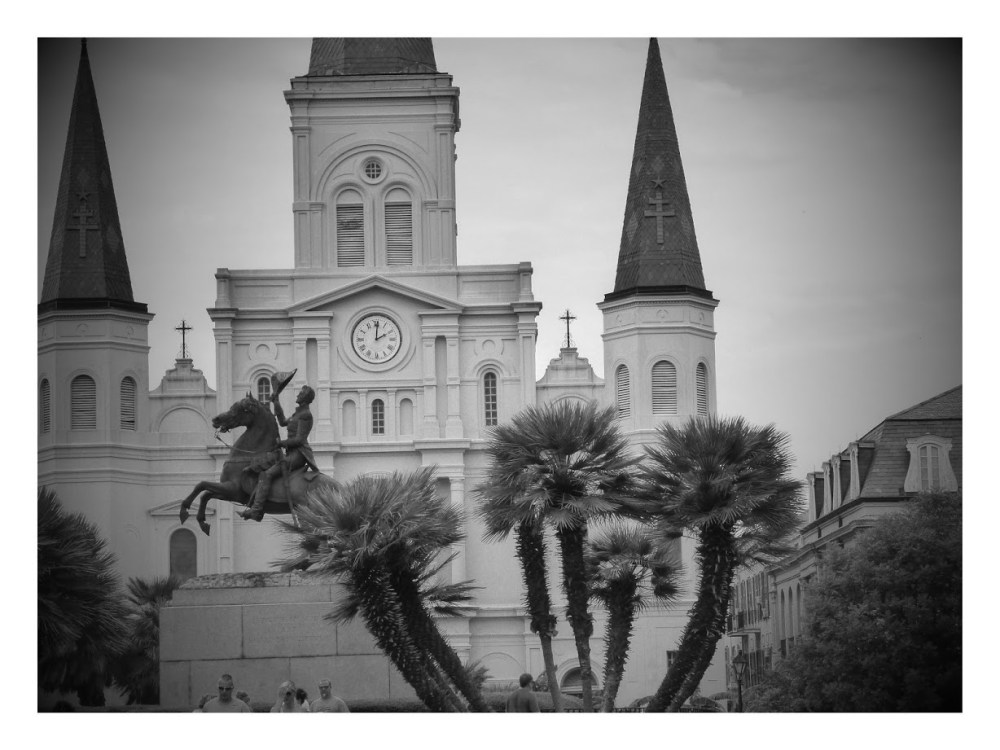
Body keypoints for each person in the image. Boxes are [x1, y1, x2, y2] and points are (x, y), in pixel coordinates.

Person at [243, 385, 319, 522]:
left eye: (300, 394)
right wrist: (276, 402)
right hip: (289, 453)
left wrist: (281, 443)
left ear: (305, 398)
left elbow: (299, 439)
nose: (297, 395)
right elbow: (283, 421)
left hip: (298, 455)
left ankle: (256, 510)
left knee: (267, 474)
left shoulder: (306, 415)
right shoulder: (298, 414)